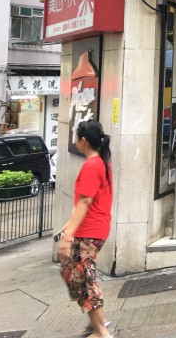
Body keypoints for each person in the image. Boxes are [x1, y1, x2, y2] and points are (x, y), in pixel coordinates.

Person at [57, 120, 113, 338]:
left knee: (85, 280)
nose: (74, 141)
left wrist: (68, 236)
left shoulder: (92, 165)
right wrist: (70, 226)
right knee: (72, 274)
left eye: (76, 137)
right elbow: (86, 201)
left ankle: (100, 331)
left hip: (89, 231)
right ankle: (96, 322)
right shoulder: (101, 162)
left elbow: (85, 202)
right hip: (94, 228)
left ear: (83, 141)